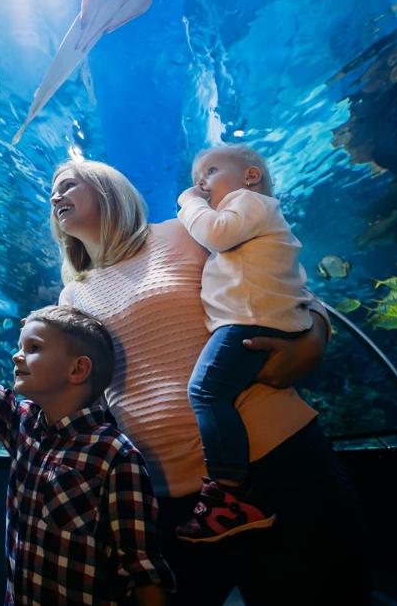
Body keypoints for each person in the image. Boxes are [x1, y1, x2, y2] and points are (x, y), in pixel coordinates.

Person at [48, 158, 368, 605]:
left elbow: (284, 283)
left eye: (67, 184)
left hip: (273, 459)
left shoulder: (182, 232)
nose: (55, 196)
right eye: (53, 191)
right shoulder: (71, 295)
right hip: (168, 492)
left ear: (108, 188)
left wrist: (314, 338)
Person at [0, 255, 174, 605]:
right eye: (19, 347)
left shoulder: (115, 455)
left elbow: (143, 572)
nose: (17, 356)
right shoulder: (23, 423)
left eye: (33, 348)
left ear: (78, 369)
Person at [172, 145, 312, 542]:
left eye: (211, 172)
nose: (201, 184)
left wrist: (187, 201)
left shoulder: (249, 201)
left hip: (250, 318)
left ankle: (229, 496)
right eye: (198, 178)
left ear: (250, 176)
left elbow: (217, 234)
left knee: (205, 390)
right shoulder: (253, 214)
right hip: (256, 316)